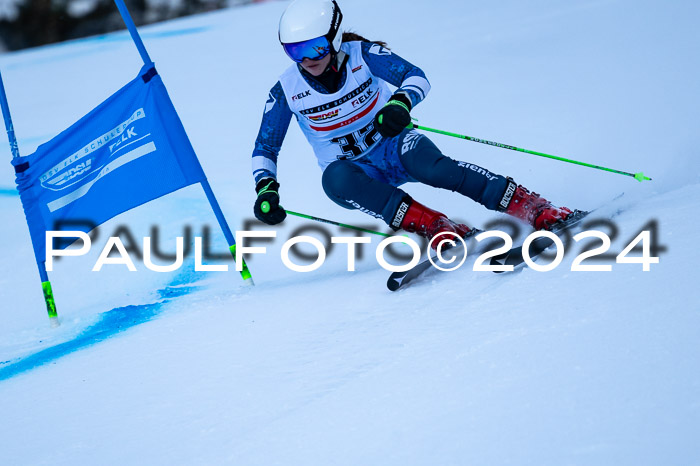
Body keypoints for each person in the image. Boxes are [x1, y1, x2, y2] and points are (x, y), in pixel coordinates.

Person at [251, 0, 575, 248]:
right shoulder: (288, 90)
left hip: (395, 146)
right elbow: (266, 145)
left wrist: (399, 103)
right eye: (295, 50)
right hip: (355, 172)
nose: (308, 58)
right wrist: (266, 187)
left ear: (334, 38)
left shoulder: (362, 55)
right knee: (334, 180)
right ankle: (438, 227)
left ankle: (531, 206)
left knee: (436, 170)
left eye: (316, 46)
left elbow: (415, 76)